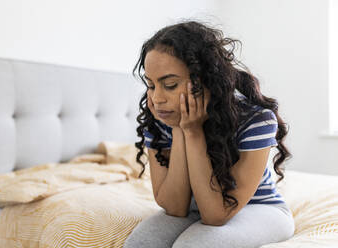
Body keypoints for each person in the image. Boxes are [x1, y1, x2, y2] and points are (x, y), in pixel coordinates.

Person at [123, 20, 295, 248]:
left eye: (170, 85)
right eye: (152, 85)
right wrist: (178, 129)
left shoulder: (255, 120)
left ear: (205, 80)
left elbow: (216, 215)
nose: (156, 99)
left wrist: (193, 132)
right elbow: (175, 208)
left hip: (258, 208)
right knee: (141, 243)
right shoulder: (160, 120)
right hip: (195, 209)